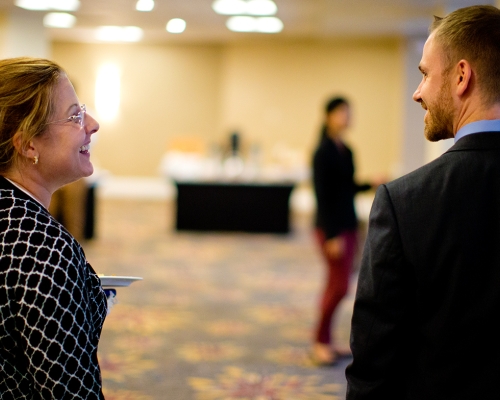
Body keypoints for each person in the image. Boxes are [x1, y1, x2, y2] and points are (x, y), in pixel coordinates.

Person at [346, 5, 500, 399]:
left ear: (462, 76)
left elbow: (374, 362)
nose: (418, 93)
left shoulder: (404, 202)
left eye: (425, 74)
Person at [0, 57, 107, 398]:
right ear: (29, 144)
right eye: (75, 115)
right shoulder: (41, 246)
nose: (92, 124)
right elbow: (71, 391)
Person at [310, 97, 374, 365]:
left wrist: (372, 183)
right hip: (331, 228)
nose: (347, 117)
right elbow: (322, 196)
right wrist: (332, 234)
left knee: (338, 285)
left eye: (349, 112)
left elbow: (347, 187)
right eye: (342, 113)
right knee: (338, 286)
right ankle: (319, 341)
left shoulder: (346, 150)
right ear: (328, 116)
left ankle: (326, 339)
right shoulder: (322, 152)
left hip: (348, 224)